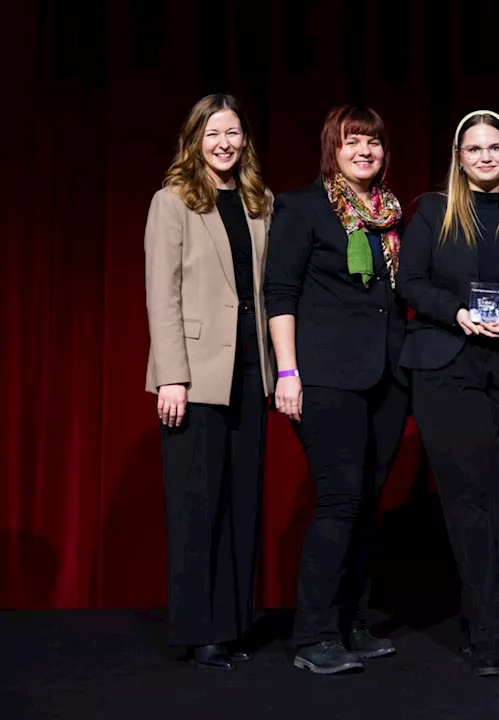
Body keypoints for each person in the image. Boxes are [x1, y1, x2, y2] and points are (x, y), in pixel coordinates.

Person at [396, 110, 499, 677]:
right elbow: (408, 280)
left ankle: (477, 614)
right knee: (472, 493)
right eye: (474, 149)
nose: (485, 157)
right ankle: (493, 634)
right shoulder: (433, 213)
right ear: (459, 159)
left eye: (495, 148)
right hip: (446, 364)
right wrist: (456, 312)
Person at [264, 105, 409, 675]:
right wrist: (287, 371)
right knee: (340, 499)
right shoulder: (303, 207)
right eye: (353, 142)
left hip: (387, 378)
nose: (364, 151)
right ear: (333, 148)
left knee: (368, 503)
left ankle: (353, 622)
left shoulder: (391, 216)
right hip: (324, 376)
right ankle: (313, 634)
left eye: (373, 141)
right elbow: (280, 291)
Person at [144, 93, 274, 670]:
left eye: (235, 133)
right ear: (195, 138)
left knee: (241, 499)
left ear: (245, 140)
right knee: (197, 503)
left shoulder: (258, 202)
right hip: (195, 377)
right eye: (214, 133)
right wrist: (172, 376)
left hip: (252, 370)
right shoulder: (172, 202)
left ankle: (234, 622)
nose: (225, 143)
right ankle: (201, 631)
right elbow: (161, 295)